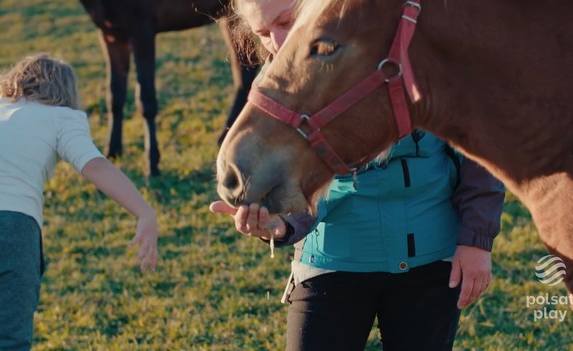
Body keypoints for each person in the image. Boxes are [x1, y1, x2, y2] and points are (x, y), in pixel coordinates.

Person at [210, 1, 505, 350]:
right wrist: (280, 225)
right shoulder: (272, 91)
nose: (277, 42)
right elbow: (298, 182)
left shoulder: (410, 48)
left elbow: (480, 152)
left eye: (286, 21)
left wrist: (476, 239)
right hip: (331, 264)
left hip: (429, 262)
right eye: (263, 33)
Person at [0, 54, 159, 351]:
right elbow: (95, 165)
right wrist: (144, 212)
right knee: (8, 340)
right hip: (12, 228)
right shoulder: (60, 116)